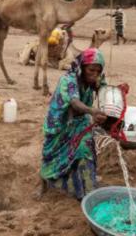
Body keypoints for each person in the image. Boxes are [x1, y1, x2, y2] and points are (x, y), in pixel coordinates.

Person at [38, 48, 108, 200]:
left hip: (80, 121)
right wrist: (92, 111)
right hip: (60, 124)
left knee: (85, 149)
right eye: (91, 70)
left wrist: (115, 95)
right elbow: (75, 102)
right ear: (82, 68)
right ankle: (43, 185)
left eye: (98, 70)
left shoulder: (95, 79)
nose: (94, 74)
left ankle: (87, 190)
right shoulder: (68, 80)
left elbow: (105, 90)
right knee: (51, 155)